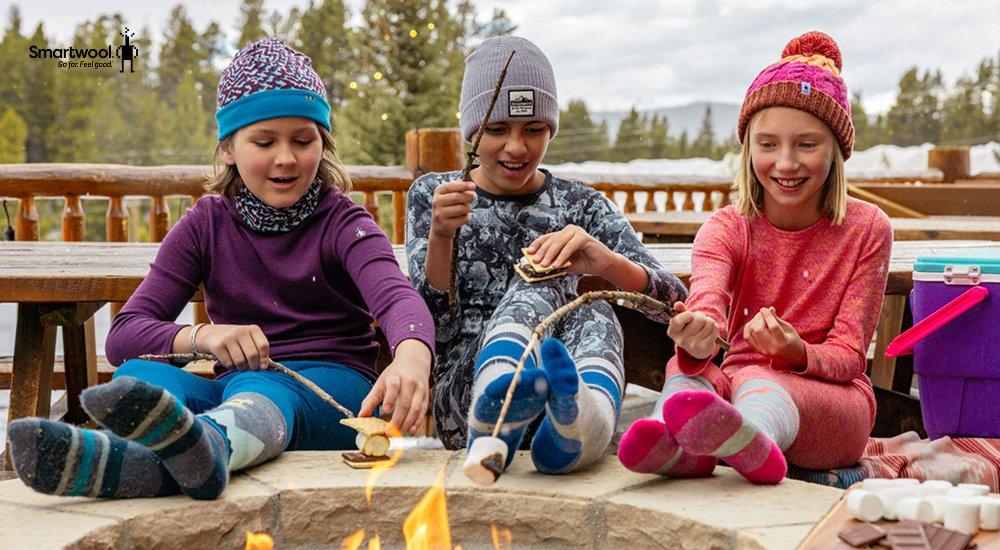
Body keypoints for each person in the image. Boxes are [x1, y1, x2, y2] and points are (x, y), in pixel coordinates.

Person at [7, 38, 434, 500]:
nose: (286, 157)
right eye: (264, 141)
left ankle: (136, 452)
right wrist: (203, 337)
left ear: (323, 144)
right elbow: (126, 332)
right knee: (142, 378)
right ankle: (160, 462)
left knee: (259, 388)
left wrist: (412, 354)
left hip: (331, 393)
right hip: (230, 389)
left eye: (303, 140)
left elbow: (396, 297)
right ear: (229, 147)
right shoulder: (205, 224)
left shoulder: (346, 224)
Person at [617, 31, 892, 484]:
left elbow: (848, 357)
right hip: (737, 379)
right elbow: (707, 299)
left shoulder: (868, 230)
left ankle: (745, 439)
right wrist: (697, 335)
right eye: (767, 145)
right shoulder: (726, 228)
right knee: (689, 378)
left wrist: (795, 350)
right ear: (748, 149)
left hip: (831, 406)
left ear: (837, 151)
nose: (785, 163)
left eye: (807, 144)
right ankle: (679, 442)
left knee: (758, 386)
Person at [406, 35, 688, 475]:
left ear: (550, 129)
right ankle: (499, 401)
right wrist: (441, 234)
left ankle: (580, 431)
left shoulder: (581, 205)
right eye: (496, 130)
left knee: (593, 307)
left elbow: (671, 302)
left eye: (533, 129)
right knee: (544, 282)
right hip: (467, 401)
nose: (516, 148)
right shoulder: (435, 195)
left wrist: (606, 264)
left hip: (559, 395)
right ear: (472, 133)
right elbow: (428, 314)